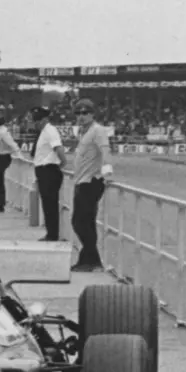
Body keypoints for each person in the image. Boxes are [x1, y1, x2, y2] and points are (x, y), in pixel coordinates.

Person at [70, 99, 112, 272]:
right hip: (82, 180)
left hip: (91, 181)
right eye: (78, 113)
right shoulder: (84, 132)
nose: (81, 116)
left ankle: (89, 258)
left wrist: (108, 174)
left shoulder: (98, 130)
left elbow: (105, 151)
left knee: (80, 222)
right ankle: (91, 259)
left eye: (85, 113)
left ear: (92, 114)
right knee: (85, 222)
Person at [31, 106, 66, 242]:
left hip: (49, 170)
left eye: (38, 120)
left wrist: (62, 162)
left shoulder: (50, 131)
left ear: (45, 119)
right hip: (43, 170)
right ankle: (51, 232)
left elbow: (58, 148)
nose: (36, 123)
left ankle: (52, 234)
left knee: (50, 204)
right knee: (47, 203)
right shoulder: (44, 131)